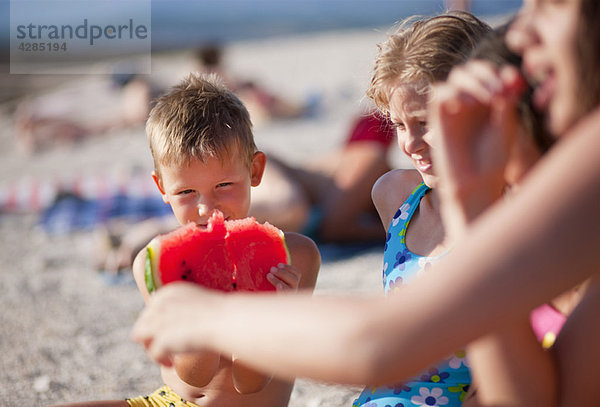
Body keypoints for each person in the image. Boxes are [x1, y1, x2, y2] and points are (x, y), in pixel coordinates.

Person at [132, 0, 600, 405]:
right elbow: (535, 398)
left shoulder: (570, 191)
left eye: (552, 6)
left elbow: (385, 343)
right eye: (400, 126)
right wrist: (472, 204)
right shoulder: (412, 198)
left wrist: (210, 317)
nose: (519, 30)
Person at [50, 73, 320, 407]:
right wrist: (200, 299)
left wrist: (270, 312)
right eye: (187, 192)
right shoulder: (150, 262)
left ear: (255, 170)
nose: (207, 208)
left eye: (224, 186)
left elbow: (252, 384)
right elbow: (194, 374)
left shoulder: (296, 256)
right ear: (162, 188)